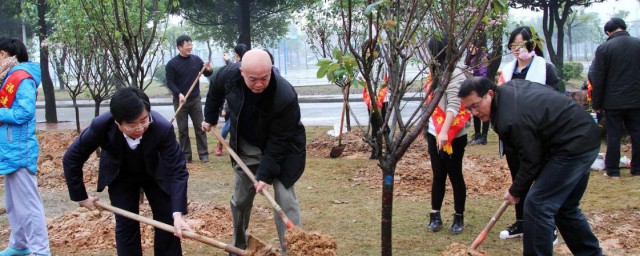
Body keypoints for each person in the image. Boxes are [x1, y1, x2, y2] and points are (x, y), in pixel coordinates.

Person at [459, 77, 602, 256]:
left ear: (489, 93)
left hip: (572, 145)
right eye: (468, 109)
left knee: (537, 205)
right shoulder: (508, 91)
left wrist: (517, 189)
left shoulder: (510, 118)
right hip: (581, 136)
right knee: (564, 208)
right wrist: (519, 187)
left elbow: (530, 158)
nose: (474, 112)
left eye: (476, 105)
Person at [63, 87, 191, 255]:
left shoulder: (161, 128)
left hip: (156, 174)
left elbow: (177, 170)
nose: (140, 128)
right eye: (132, 125)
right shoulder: (102, 126)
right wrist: (80, 196)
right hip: (121, 174)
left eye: (144, 120)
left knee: (167, 222)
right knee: (126, 224)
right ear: (118, 123)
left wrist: (178, 214)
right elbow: (72, 158)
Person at [202, 49, 305, 253]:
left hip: (283, 150)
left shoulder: (284, 94)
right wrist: (210, 117)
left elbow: (279, 141)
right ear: (242, 72)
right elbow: (214, 90)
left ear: (271, 71)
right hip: (247, 144)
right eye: (253, 79)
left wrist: (265, 174)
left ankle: (293, 250)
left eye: (264, 78)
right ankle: (239, 245)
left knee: (285, 200)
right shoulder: (228, 75)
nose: (259, 84)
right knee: (240, 200)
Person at [497, 26, 561, 241]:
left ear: (532, 45)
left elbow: (556, 97)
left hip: (539, 134)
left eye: (520, 45)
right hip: (514, 136)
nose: (516, 50)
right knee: (518, 180)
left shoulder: (545, 68)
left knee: (542, 183)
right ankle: (522, 222)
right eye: (513, 46)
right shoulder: (507, 71)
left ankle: (548, 226)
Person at [0, 37, 51, 256]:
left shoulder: (22, 78)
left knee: (28, 204)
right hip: (11, 149)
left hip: (19, 148)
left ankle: (40, 250)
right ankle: (19, 244)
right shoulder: (9, 77)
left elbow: (24, 113)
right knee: (13, 203)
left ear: (3, 55)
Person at [424, 35, 470, 235]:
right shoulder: (435, 72)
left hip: (453, 134)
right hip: (435, 132)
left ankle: (458, 216)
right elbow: (429, 102)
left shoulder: (456, 73)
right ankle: (435, 214)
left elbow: (454, 104)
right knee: (438, 175)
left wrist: (445, 132)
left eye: (432, 52)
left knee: (455, 175)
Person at [588, 18, 640, 178]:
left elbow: (598, 77)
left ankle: (613, 171)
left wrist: (596, 103)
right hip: (637, 99)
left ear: (608, 33)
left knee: (614, 135)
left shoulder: (604, 48)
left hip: (613, 101)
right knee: (637, 133)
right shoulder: (638, 44)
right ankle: (637, 169)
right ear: (623, 28)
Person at [166, 35, 213, 163]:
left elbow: (207, 72)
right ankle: (186, 156)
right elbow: (170, 82)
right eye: (187, 45)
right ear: (179, 47)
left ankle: (204, 155)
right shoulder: (172, 64)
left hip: (195, 99)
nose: (190, 47)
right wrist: (179, 93)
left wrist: (209, 69)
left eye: (191, 45)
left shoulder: (196, 60)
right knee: (182, 130)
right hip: (180, 100)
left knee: (200, 127)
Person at [215, 44, 249, 156]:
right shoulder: (235, 67)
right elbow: (227, 92)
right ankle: (220, 144)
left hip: (244, 102)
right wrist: (224, 108)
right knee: (228, 126)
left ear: (237, 55)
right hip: (231, 103)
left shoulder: (247, 66)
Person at [464, 38, 489, 145]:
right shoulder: (470, 57)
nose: (471, 49)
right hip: (473, 87)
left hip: (481, 87)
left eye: (473, 46)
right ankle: (477, 134)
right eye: (469, 47)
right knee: (475, 112)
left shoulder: (484, 57)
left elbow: (484, 73)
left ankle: (484, 136)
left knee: (484, 112)